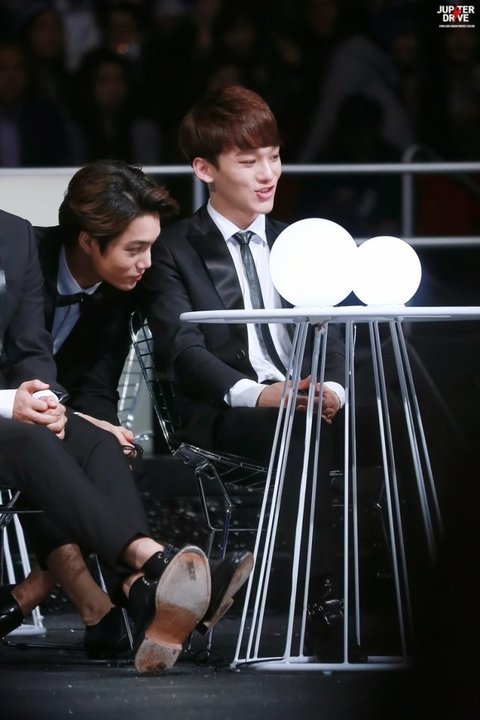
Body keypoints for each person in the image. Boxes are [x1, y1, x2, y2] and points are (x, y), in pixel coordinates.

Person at [0, 174, 253, 667]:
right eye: (135, 249)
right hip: (16, 414)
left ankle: (135, 592)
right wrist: (60, 410)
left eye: (151, 247)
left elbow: (90, 380)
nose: (148, 263)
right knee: (46, 442)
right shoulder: (29, 251)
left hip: (39, 408)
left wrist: (94, 421)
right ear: (88, 241)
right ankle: (145, 575)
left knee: (102, 446)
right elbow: (19, 362)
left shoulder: (121, 292)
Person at [140, 84, 351, 661]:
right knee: (298, 430)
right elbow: (182, 350)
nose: (268, 174)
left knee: (403, 420)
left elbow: (331, 332)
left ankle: (430, 597)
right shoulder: (175, 248)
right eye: (249, 160)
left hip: (306, 403)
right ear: (204, 169)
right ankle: (325, 602)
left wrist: (331, 388)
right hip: (227, 414)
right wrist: (261, 395)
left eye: (274, 156)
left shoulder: (294, 242)